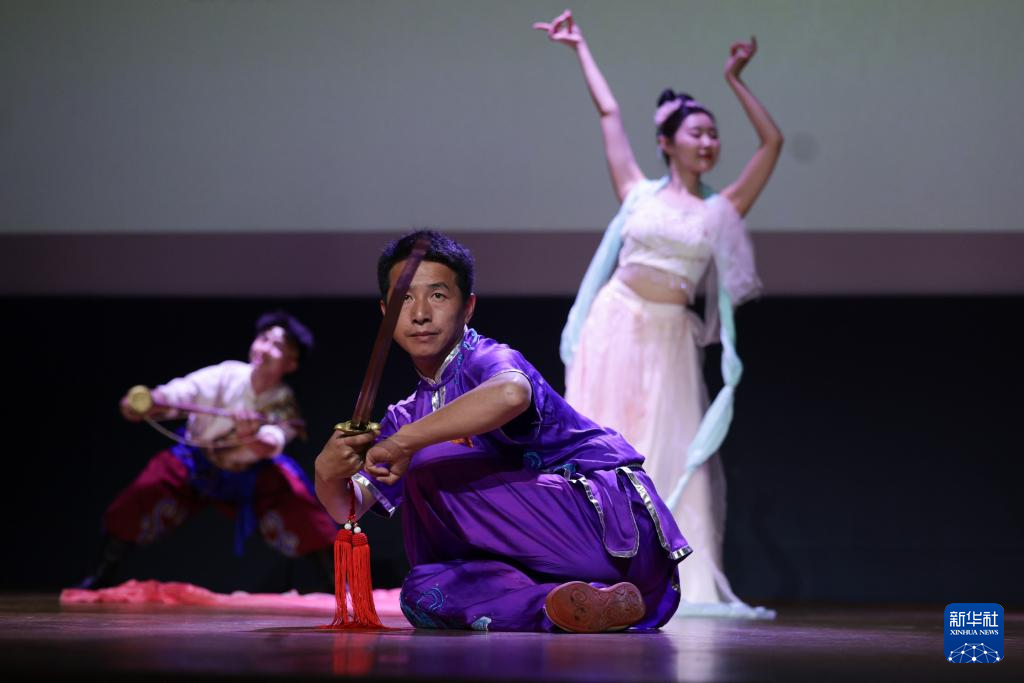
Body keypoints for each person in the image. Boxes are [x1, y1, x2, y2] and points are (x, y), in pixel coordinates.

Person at [314, 230, 691, 633]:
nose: (420, 313)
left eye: (437, 295)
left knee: (432, 469)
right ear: (385, 312)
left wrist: (406, 442)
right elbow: (347, 506)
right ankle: (562, 605)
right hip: (541, 564)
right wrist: (326, 472)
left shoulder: (489, 360)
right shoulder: (404, 416)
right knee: (423, 592)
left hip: (607, 533)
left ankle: (579, 589)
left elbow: (511, 393)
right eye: (404, 299)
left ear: (468, 307)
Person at [534, 10, 782, 615]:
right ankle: (585, 573)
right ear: (667, 142)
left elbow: (772, 143)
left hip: (670, 337)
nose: (709, 142)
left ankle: (668, 581)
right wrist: (579, 47)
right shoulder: (637, 192)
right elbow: (609, 113)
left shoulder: (721, 208)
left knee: (666, 454)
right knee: (601, 447)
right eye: (697, 132)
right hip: (615, 325)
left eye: (713, 134)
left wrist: (736, 80)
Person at [79, 311, 338, 590]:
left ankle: (337, 585)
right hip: (196, 460)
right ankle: (101, 576)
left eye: (277, 346)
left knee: (305, 511)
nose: (265, 348)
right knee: (140, 495)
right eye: (263, 339)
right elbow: (184, 392)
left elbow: (271, 445)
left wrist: (249, 436)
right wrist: (150, 401)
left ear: (291, 363)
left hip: (250, 473)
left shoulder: (284, 404)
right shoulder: (226, 374)